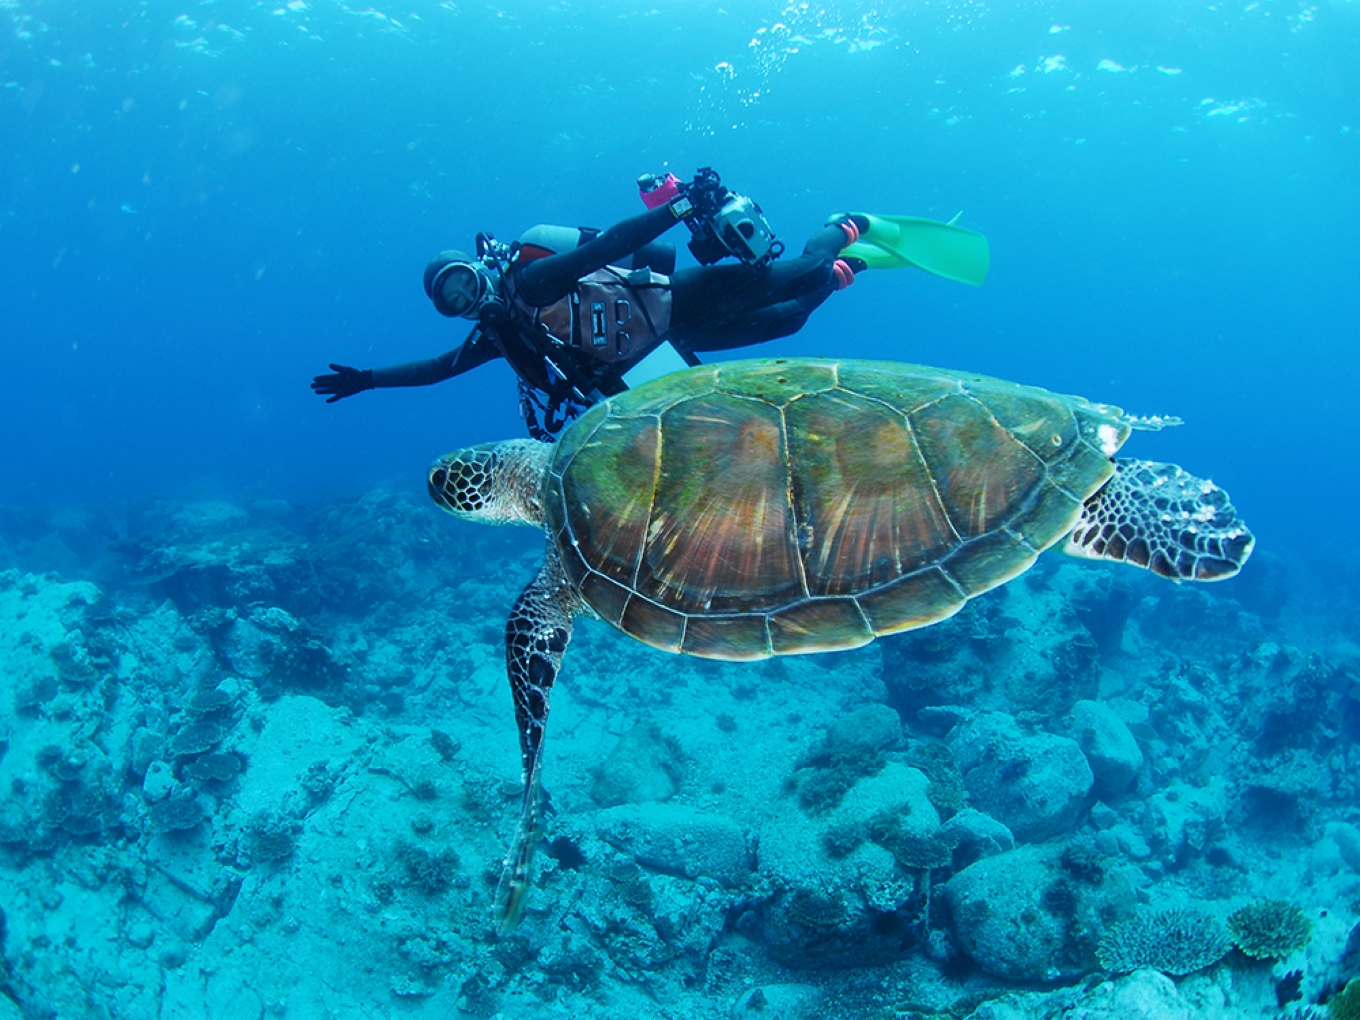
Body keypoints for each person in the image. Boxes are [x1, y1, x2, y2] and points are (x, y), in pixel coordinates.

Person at [312, 169, 986, 440]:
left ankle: (847, 225)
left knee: (793, 273)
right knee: (790, 315)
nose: (465, 297)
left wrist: (678, 209)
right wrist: (367, 380)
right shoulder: (498, 333)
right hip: (664, 350)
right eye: (450, 300)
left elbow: (614, 240)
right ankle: (848, 269)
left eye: (462, 280)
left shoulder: (533, 284)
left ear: (476, 271)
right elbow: (436, 370)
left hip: (671, 297)